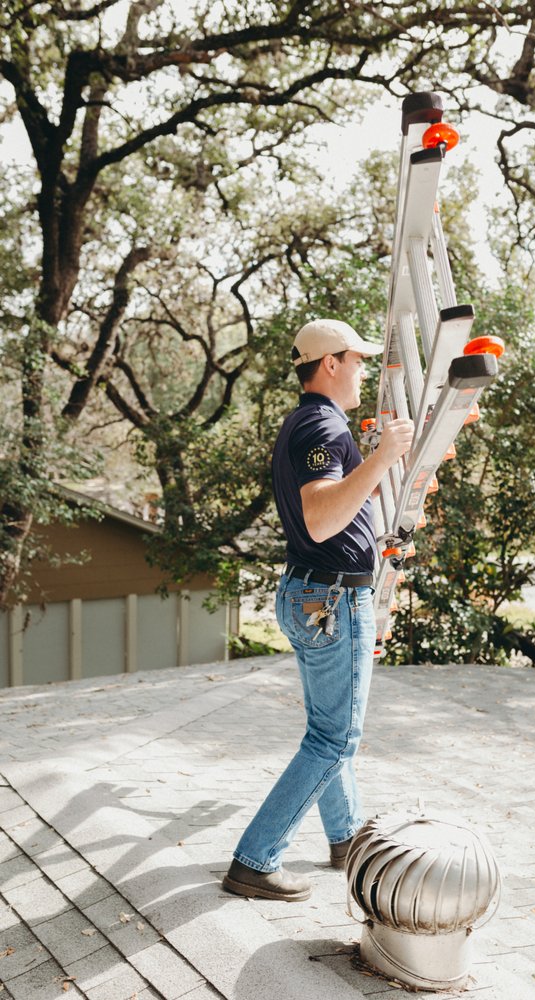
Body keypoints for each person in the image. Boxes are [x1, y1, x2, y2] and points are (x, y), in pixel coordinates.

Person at [223, 318, 414, 902]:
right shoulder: (321, 427)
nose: (363, 370)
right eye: (357, 359)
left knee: (327, 730)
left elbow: (334, 511)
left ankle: (345, 838)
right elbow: (321, 517)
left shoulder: (312, 421)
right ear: (329, 363)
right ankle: (255, 861)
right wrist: (383, 457)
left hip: (313, 594)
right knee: (334, 741)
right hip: (330, 599)